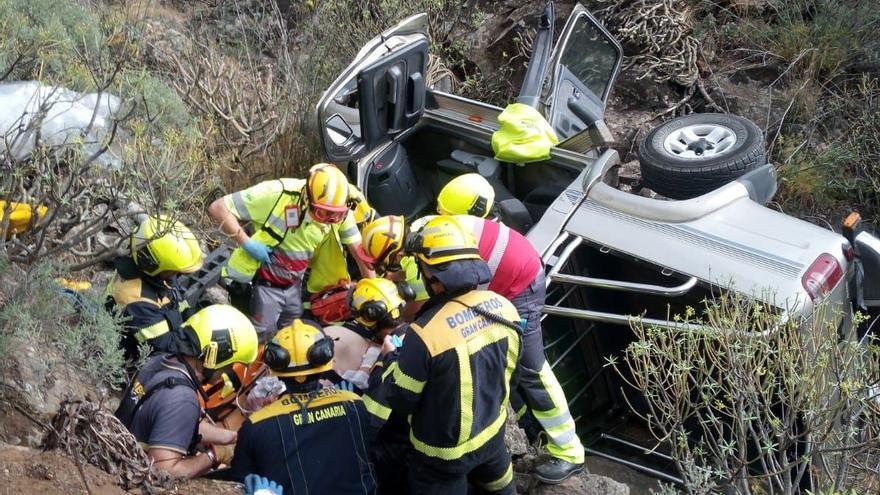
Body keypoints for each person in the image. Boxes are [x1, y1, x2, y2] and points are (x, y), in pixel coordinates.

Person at [433, 173, 586, 483]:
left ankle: (570, 451)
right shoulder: (473, 225)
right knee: (502, 360)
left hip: (521, 291)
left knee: (531, 368)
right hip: (511, 279)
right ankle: (527, 423)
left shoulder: (451, 236)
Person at [365, 216, 521, 494]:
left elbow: (402, 400)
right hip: (493, 440)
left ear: (433, 276)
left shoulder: (425, 334)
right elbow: (512, 372)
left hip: (441, 459)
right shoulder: (504, 308)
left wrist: (388, 361)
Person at [207, 163, 373, 340]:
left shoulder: (339, 208)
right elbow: (218, 208)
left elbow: (359, 253)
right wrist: (247, 243)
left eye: (337, 215)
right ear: (307, 199)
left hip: (294, 284)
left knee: (292, 333)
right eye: (323, 213)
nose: (330, 220)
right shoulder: (276, 194)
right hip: (264, 283)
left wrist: (372, 292)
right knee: (261, 334)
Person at [229, 319, 377, 495]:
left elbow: (238, 481)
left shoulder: (256, 427)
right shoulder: (355, 405)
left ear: (275, 366)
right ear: (326, 360)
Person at [115, 304, 259, 479]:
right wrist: (214, 456)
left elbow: (173, 422)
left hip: (117, 448)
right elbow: (162, 471)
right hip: (124, 473)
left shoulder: (160, 362)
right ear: (217, 354)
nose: (226, 373)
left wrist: (229, 438)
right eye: (229, 365)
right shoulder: (182, 398)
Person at [105, 214, 204, 363]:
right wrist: (198, 340)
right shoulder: (134, 298)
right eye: (172, 270)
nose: (175, 275)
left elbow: (178, 303)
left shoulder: (151, 273)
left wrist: (201, 314)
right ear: (151, 263)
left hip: (160, 326)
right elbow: (164, 345)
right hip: (131, 359)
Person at [346, 278, 412, 495]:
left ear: (371, 317)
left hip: (402, 449)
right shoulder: (415, 332)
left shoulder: (389, 362)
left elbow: (370, 422)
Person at [358, 215, 429, 321]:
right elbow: (406, 268)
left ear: (397, 253)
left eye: (381, 261)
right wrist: (388, 277)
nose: (382, 265)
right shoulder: (418, 226)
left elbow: (411, 315)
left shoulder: (417, 269)